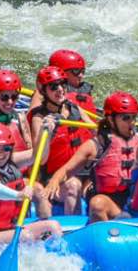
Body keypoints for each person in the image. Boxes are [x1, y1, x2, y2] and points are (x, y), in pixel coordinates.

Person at [44, 91, 138, 223]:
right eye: (126, 118)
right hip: (110, 202)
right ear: (110, 119)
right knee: (97, 204)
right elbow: (67, 170)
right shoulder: (96, 144)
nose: (131, 123)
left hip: (135, 202)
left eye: (133, 117)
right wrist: (54, 181)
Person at [26, 66, 96, 214]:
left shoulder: (73, 107)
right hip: (54, 175)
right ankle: (71, 230)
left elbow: (96, 131)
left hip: (82, 169)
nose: (60, 89)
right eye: (53, 87)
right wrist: (48, 131)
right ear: (44, 91)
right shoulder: (39, 118)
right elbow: (42, 158)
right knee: (73, 186)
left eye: (62, 84)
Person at [31, 49, 97, 113]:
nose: (81, 75)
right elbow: (32, 115)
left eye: (82, 71)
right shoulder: (44, 92)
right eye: (76, 71)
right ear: (60, 72)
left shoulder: (84, 88)